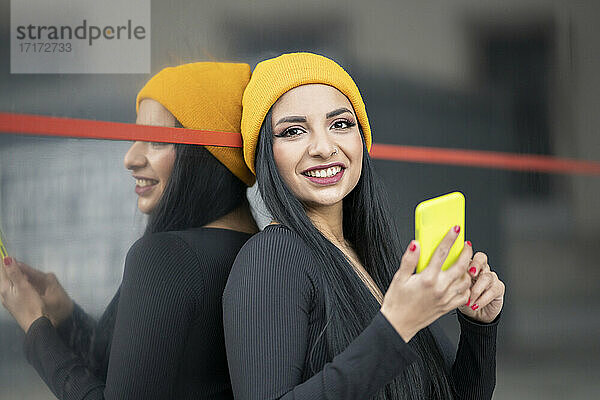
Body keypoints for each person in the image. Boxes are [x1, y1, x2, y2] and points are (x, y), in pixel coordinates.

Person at [223, 52, 505, 399]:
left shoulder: (373, 257)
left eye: (340, 124)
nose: (324, 148)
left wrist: (479, 326)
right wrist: (396, 327)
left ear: (362, 138)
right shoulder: (272, 257)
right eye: (294, 131)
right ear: (266, 152)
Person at [0, 62, 258, 399]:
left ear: (207, 155)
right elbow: (144, 374)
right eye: (136, 138)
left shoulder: (167, 256)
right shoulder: (256, 250)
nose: (130, 158)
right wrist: (67, 318)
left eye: (155, 141)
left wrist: (36, 327)